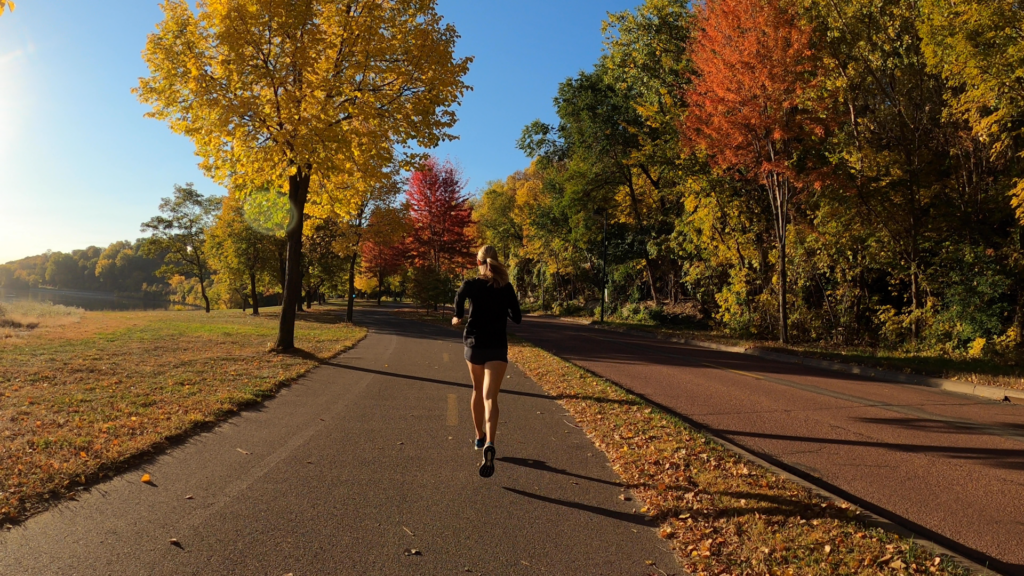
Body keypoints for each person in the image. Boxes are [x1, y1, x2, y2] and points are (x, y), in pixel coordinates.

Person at [452, 245, 522, 478]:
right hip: (497, 347)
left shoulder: (471, 284)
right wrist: (504, 307)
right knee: (491, 396)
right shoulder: (506, 287)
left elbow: (459, 297)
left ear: (479, 261)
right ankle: (491, 441)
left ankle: (479, 437)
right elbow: (518, 318)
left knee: (476, 390)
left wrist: (458, 316)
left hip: (475, 345)